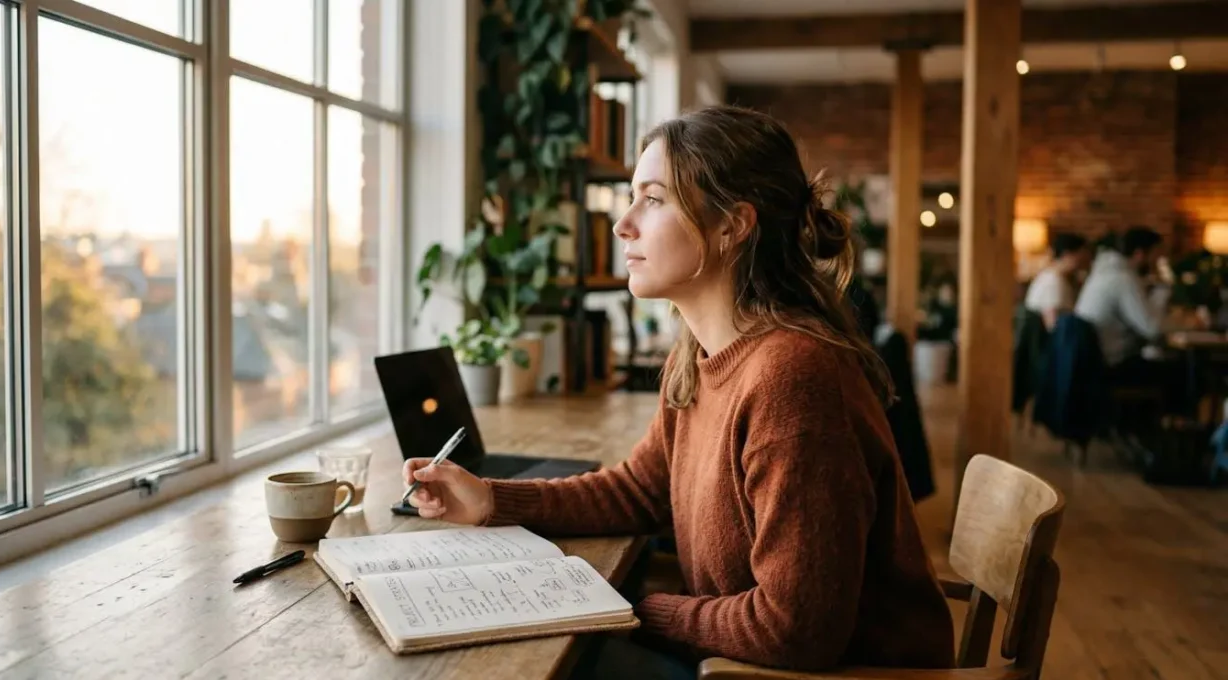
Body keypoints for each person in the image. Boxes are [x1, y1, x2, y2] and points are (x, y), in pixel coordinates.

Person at [402, 105, 956, 677]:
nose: (623, 224)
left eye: (653, 198)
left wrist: (631, 609)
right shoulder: (699, 353)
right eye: (632, 197)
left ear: (732, 226)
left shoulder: (793, 378)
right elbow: (640, 491)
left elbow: (793, 631)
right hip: (741, 661)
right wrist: (490, 500)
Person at [1073, 226, 1165, 379]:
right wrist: (1162, 290)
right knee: (1181, 370)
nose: (1158, 262)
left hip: (1093, 363)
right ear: (1140, 254)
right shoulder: (1123, 278)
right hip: (1110, 366)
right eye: (1156, 255)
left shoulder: (1105, 271)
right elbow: (1153, 329)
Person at [1024, 232, 1090, 331]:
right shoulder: (1053, 282)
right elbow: (1052, 325)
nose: (1086, 260)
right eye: (1082, 255)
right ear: (1067, 254)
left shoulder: (1052, 277)